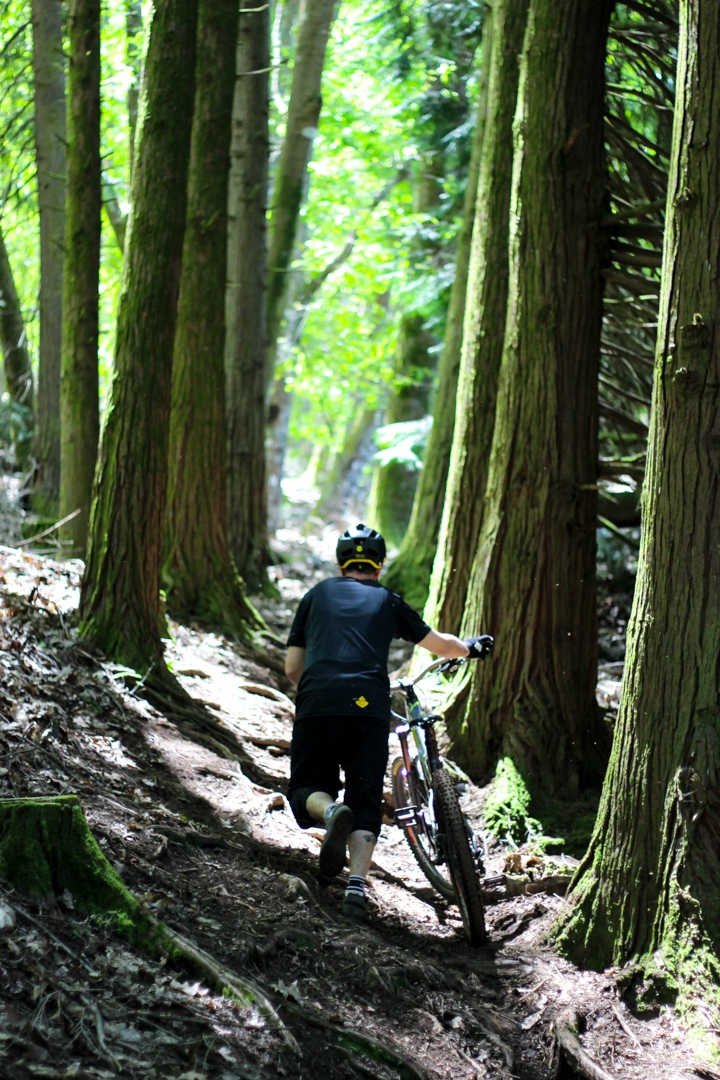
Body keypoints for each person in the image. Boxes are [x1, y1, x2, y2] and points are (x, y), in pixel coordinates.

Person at [284, 523, 491, 922]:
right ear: (379, 566)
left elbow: (293, 667)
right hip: (369, 704)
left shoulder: (316, 596)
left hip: (318, 699)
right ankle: (356, 889)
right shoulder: (388, 600)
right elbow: (440, 645)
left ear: (341, 564)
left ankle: (330, 812)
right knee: (365, 800)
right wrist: (471, 647)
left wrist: (319, 693)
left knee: (306, 788)